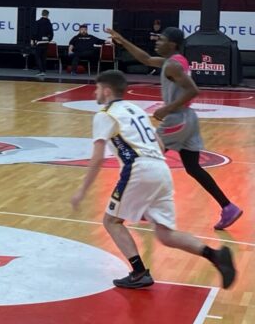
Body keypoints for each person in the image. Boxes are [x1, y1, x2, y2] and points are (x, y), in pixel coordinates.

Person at [70, 70, 235, 290]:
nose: (95, 92)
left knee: (111, 221)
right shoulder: (136, 110)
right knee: (165, 234)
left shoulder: (105, 114)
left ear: (107, 91)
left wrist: (82, 190)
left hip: (138, 169)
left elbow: (98, 157)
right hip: (160, 168)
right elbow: (159, 144)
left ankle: (139, 272)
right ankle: (215, 255)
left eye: (97, 88)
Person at [104, 26, 243, 230]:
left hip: (176, 120)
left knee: (145, 160)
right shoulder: (175, 62)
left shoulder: (173, 66)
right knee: (193, 167)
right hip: (189, 119)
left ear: (173, 44)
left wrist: (166, 108)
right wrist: (122, 40)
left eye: (161, 40)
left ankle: (139, 209)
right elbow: (147, 59)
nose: (157, 42)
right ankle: (228, 207)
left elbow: (193, 90)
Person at [30, 9, 54, 77]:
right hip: (46, 42)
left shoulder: (38, 22)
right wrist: (49, 39)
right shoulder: (49, 23)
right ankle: (43, 70)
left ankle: (41, 71)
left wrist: (32, 39)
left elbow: (35, 32)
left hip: (39, 42)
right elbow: (51, 33)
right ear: (48, 15)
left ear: (42, 14)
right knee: (43, 57)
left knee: (38, 56)